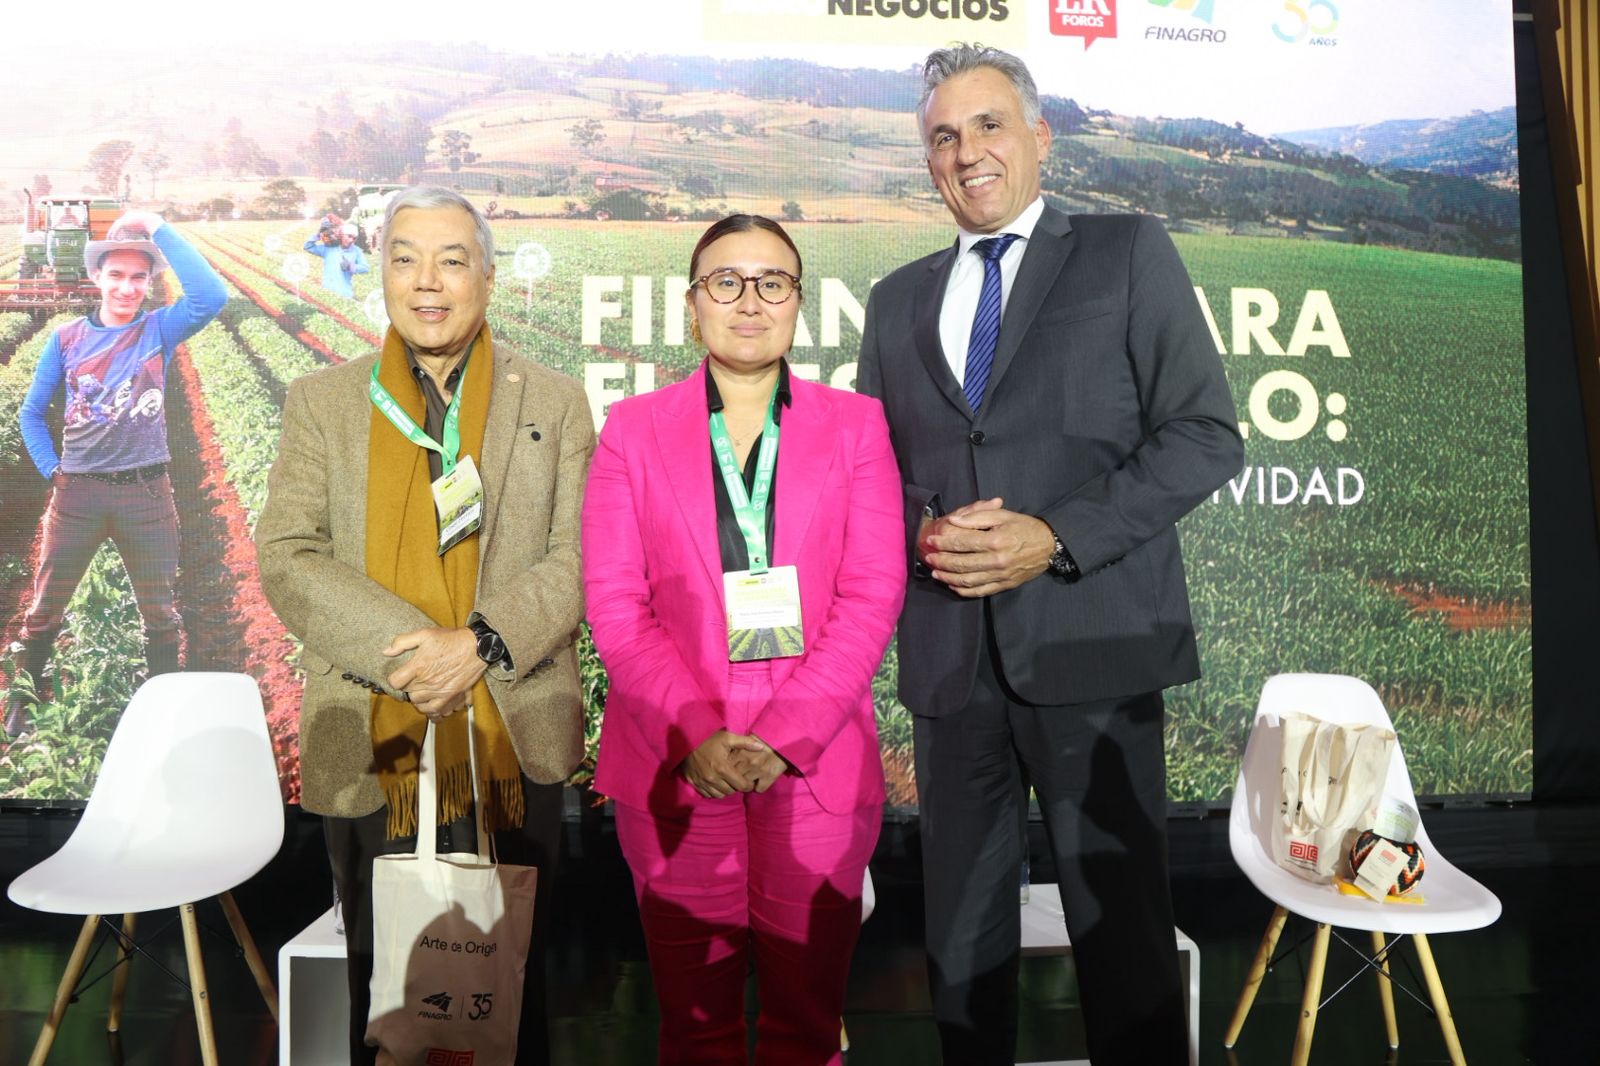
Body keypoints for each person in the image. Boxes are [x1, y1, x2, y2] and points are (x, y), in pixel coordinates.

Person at [855, 44, 1245, 1065]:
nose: (966, 150)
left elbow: (1205, 434)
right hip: (950, 670)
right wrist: (920, 532)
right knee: (963, 943)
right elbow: (869, 475)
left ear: (1038, 136)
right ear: (926, 160)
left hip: (1094, 652)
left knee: (1121, 942)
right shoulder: (894, 301)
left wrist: (1052, 537)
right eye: (943, 136)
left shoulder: (1125, 252)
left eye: (987, 125)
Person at [256, 186, 593, 1065]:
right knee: (390, 989)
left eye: (451, 259)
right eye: (405, 258)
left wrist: (477, 645)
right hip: (376, 726)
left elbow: (581, 554)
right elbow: (290, 553)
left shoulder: (551, 403)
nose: (428, 282)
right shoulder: (323, 401)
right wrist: (417, 654)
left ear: (487, 275)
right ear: (382, 276)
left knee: (515, 985)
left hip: (513, 730)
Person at [582, 214, 905, 1065]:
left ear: (800, 303)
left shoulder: (858, 426)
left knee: (807, 1024)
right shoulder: (631, 432)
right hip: (675, 763)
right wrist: (695, 733)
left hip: (816, 761)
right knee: (695, 1029)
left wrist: (782, 736)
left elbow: (873, 595)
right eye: (725, 282)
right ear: (692, 306)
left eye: (773, 282)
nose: (749, 302)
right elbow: (615, 604)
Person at [6, 210, 226, 737]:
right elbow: (31, 412)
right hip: (77, 495)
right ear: (97, 278)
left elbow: (211, 297)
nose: (126, 287)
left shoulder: (159, 330)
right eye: (117, 275)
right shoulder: (66, 340)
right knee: (45, 606)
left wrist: (158, 226)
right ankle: (23, 698)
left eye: (137, 277)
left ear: (149, 284)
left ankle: (164, 708)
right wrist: (52, 470)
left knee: (159, 610)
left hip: (146, 493)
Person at [303, 220, 370, 298]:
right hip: (327, 292)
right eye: (349, 236)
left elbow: (365, 268)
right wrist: (318, 234)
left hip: (345, 294)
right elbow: (308, 247)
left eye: (354, 238)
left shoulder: (356, 251)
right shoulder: (328, 248)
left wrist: (351, 266)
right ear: (341, 235)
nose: (351, 240)